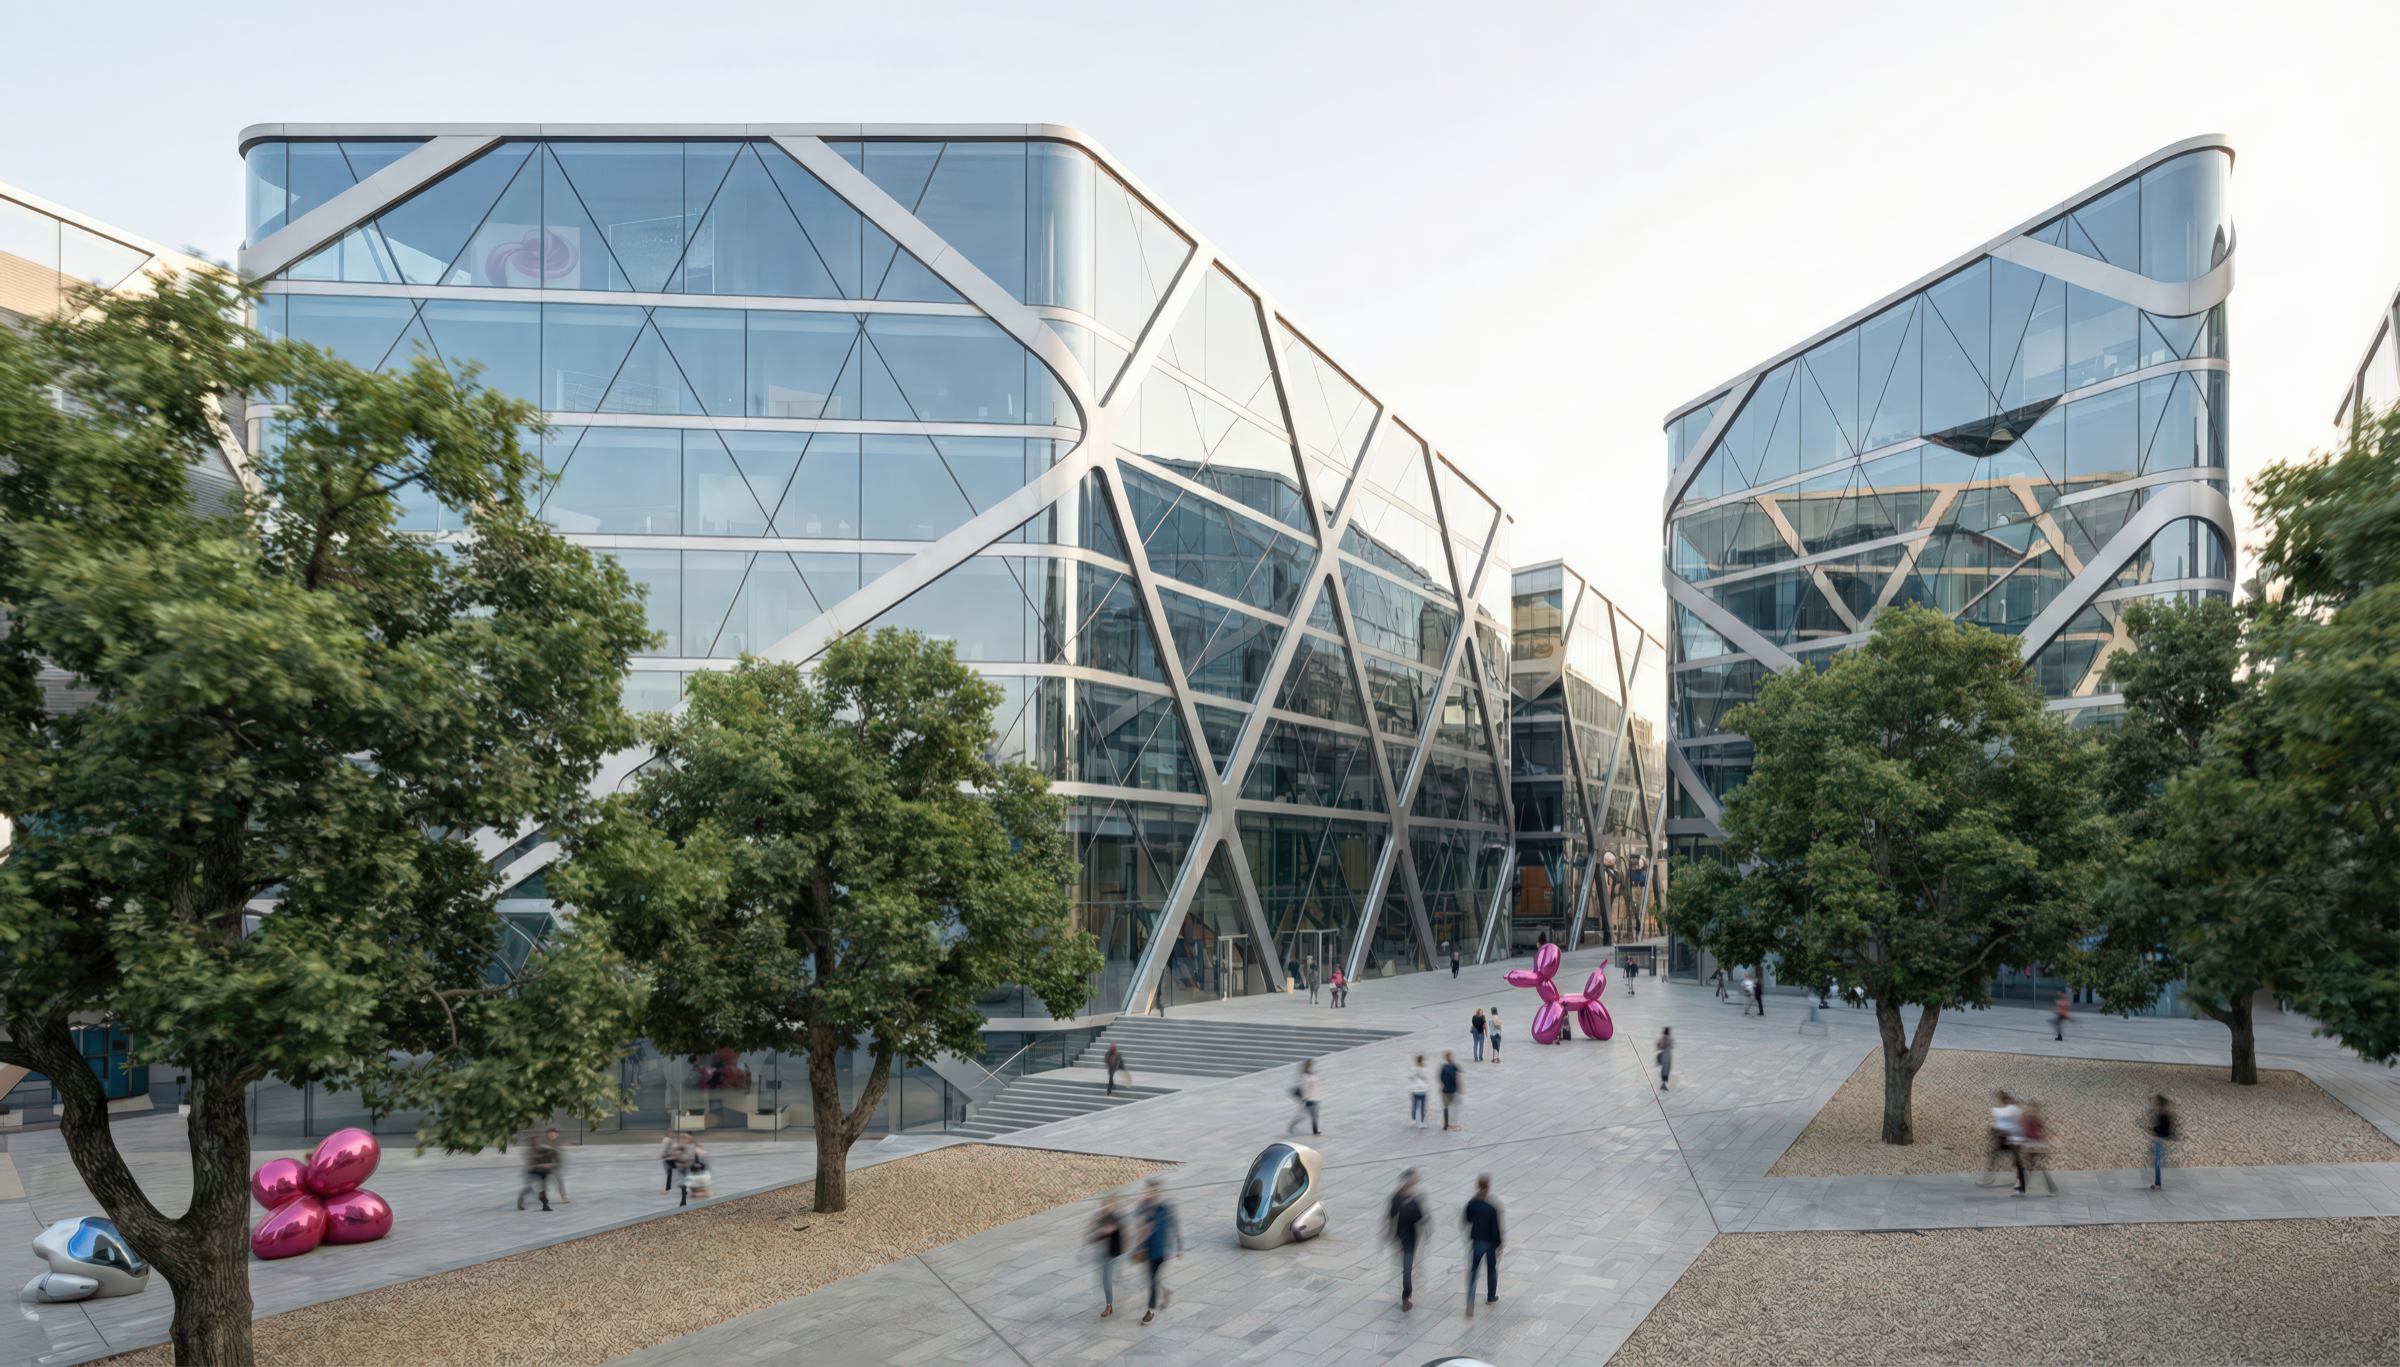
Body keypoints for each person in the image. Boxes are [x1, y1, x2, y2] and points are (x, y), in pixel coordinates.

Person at [1137, 1176, 1181, 1325]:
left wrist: (1179, 1248)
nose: (1151, 1193)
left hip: (1163, 1249)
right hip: (1149, 1248)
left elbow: (1175, 1226)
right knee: (1152, 1280)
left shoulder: (1166, 1208)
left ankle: (1150, 1311)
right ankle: (1166, 1291)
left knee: (1153, 1280)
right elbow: (1138, 1227)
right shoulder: (1144, 1207)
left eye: (1154, 1191)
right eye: (1149, 1190)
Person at [1462, 1173, 1503, 1317]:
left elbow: (1467, 1218)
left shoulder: (1472, 1204)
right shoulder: (1491, 1208)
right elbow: (1496, 1229)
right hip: (1490, 1242)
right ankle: (1491, 1297)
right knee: (1491, 1269)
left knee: (1474, 1270)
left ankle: (1469, 1301)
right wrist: (1499, 1245)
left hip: (1477, 1241)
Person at [1385, 1169, 1425, 1310]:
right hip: (1407, 1236)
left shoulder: (1400, 1197)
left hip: (1404, 1236)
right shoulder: (1406, 1198)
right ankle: (1406, 1296)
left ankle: (1407, 1292)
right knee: (1407, 1266)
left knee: (1407, 1265)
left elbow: (1391, 1217)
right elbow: (1420, 1219)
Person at [1087, 1194, 1125, 1317]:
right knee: (1105, 1280)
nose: (1109, 1207)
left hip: (1115, 1253)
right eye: (1106, 1205)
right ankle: (1109, 1304)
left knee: (1109, 1278)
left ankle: (1109, 1304)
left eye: (1111, 1205)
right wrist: (1097, 1221)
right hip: (1104, 1254)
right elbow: (1091, 1230)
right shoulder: (1101, 1217)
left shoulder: (1117, 1217)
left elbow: (1109, 1230)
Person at [1981, 1091, 2022, 1188]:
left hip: (2008, 1137)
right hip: (2005, 1137)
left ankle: (2020, 1179)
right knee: (1997, 1156)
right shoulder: (2004, 1110)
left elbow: (2015, 1123)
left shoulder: (2009, 1110)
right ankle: (1987, 1176)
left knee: (2013, 1159)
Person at [2016, 1099, 2057, 1195]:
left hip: (2034, 1147)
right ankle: (2022, 1188)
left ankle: (2022, 1188)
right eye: (2030, 1108)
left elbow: (2042, 1134)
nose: (2031, 1110)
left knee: (2030, 1167)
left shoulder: (2034, 1120)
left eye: (2033, 1109)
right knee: (2030, 1167)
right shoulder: (2027, 1119)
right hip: (2030, 1146)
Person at [518, 1129, 561, 1212]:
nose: (535, 1141)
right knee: (530, 1188)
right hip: (534, 1171)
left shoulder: (542, 1148)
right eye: (533, 1140)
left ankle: (545, 1204)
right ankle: (521, 1200)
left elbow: (550, 1154)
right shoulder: (531, 1151)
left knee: (542, 1189)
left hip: (542, 1172)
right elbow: (531, 1164)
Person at [2148, 1094, 2178, 1190]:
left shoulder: (2163, 1115)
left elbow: (2163, 1130)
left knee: (2157, 1162)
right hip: (2159, 1140)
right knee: (2156, 1161)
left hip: (2159, 1141)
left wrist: (2154, 1131)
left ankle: (2158, 1184)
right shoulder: (2163, 1114)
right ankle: (2157, 1183)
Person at [1288, 1058, 1320, 1136]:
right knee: (1308, 1115)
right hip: (1307, 1098)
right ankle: (1292, 1126)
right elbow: (1303, 1087)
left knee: (1312, 1115)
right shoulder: (1304, 1076)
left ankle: (1315, 1131)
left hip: (1311, 1098)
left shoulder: (1308, 1075)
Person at [678, 1136, 712, 1206]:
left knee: (693, 1190)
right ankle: (699, 1195)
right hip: (703, 1175)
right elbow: (707, 1167)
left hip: (693, 1176)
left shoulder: (685, 1153)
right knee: (703, 1190)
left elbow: (682, 1168)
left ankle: (696, 1195)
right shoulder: (700, 1151)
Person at [1439, 1051, 1462, 1130]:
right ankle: (1453, 1123)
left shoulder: (1444, 1067)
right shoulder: (1454, 1066)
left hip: (1445, 1089)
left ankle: (1446, 1124)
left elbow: (1440, 1077)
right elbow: (1459, 1075)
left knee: (1446, 1107)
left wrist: (1444, 1084)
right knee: (1453, 1106)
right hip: (1453, 1089)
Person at [1406, 1054, 1431, 1129]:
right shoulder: (1425, 1069)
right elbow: (1426, 1079)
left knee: (1415, 1105)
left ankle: (1415, 1119)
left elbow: (1410, 1077)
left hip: (1414, 1090)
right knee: (1421, 1107)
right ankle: (1420, 1122)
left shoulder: (1412, 1068)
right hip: (1422, 1090)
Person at [1655, 1026, 1674, 1093]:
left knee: (1664, 1068)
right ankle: (1663, 1084)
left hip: (1663, 1055)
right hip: (1666, 1056)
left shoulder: (1662, 1038)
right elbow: (1671, 1046)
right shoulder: (1668, 1038)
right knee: (1666, 1069)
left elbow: (1658, 1045)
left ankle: (1663, 1083)